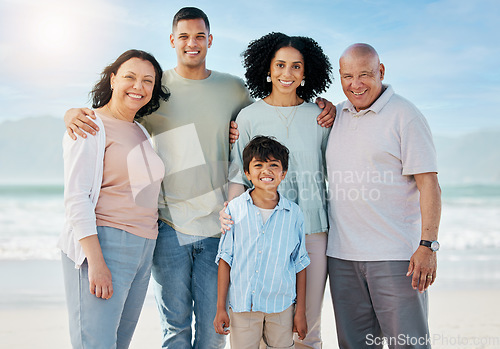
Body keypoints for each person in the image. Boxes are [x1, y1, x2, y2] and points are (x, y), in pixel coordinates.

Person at [62, 7, 335, 348]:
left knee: (213, 332)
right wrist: (73, 113)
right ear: (172, 40)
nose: (192, 44)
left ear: (210, 40)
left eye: (200, 36)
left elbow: (276, 109)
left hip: (218, 229)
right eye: (185, 37)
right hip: (167, 226)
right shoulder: (155, 88)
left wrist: (324, 106)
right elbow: (117, 117)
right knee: (174, 330)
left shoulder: (233, 89)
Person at [220, 32, 332, 349]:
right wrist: (231, 215)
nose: (287, 73)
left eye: (296, 66)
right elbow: (237, 175)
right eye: (280, 65)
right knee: (258, 324)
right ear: (267, 69)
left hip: (312, 230)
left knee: (307, 328)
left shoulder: (320, 118)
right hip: (259, 232)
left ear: (306, 73)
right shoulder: (249, 117)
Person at [326, 43, 441, 348]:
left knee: (409, 344)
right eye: (348, 76)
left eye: (364, 74)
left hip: (396, 258)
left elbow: (429, 184)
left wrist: (427, 246)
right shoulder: (335, 116)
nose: (356, 84)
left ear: (381, 71)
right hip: (342, 257)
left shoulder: (405, 115)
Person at [59, 49, 169, 349]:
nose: (139, 86)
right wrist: (95, 261)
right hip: (105, 245)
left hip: (143, 249)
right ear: (112, 79)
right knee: (95, 344)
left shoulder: (141, 131)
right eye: (130, 77)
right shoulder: (89, 124)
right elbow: (76, 197)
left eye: (148, 80)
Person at [214, 136, 310, 349]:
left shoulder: (294, 214)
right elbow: (225, 259)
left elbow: (300, 264)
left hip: (281, 307)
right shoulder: (234, 210)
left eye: (273, 165)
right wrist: (221, 307)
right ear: (247, 173)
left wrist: (300, 311)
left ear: (283, 173)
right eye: (258, 165)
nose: (266, 171)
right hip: (242, 306)